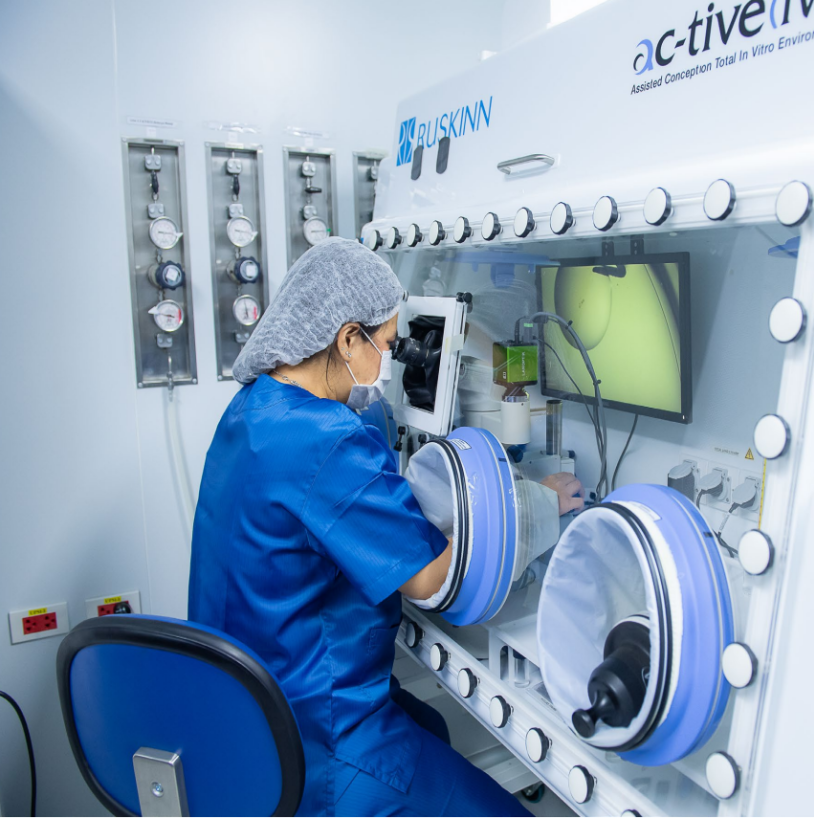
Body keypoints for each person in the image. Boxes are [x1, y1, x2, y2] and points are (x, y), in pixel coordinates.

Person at [188, 238, 581, 816]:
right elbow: (430, 578)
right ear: (348, 338)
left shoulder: (251, 409)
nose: (387, 364)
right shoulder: (326, 440)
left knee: (431, 726)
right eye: (388, 345)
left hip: (244, 722)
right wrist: (533, 506)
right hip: (319, 737)